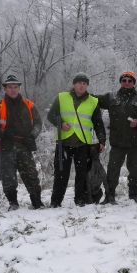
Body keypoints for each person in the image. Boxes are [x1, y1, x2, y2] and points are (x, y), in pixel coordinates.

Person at [95, 71, 137, 205]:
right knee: (112, 170)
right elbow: (93, 100)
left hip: (136, 142)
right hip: (118, 142)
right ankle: (109, 196)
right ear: (121, 82)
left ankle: (134, 196)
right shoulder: (110, 97)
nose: (127, 83)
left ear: (133, 83)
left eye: (129, 80)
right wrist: (80, 93)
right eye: (124, 80)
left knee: (135, 171)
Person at [47, 72, 106, 208]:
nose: (82, 85)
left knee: (82, 174)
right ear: (74, 84)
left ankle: (80, 199)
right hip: (64, 142)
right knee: (61, 173)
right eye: (79, 83)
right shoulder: (62, 97)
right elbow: (51, 115)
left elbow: (98, 123)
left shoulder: (93, 101)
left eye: (84, 83)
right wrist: (60, 123)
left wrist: (102, 141)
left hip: (83, 142)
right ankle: (56, 201)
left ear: (87, 86)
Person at [0, 75, 44, 210]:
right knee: (8, 178)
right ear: (5, 89)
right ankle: (13, 203)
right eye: (10, 87)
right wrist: (3, 133)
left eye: (15, 87)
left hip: (25, 145)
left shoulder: (29, 105)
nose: (13, 90)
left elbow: (38, 123)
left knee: (31, 174)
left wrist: (32, 136)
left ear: (19, 88)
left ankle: (37, 202)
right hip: (6, 146)